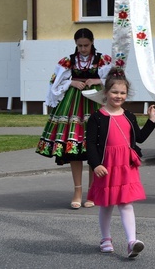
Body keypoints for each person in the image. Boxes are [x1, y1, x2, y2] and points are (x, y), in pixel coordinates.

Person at [36, 27, 112, 209]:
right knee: (74, 149)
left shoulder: (103, 59)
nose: (83, 49)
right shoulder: (68, 61)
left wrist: (98, 81)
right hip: (73, 106)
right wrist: (71, 82)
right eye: (80, 46)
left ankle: (93, 191)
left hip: (94, 102)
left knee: (95, 147)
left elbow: (114, 78)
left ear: (92, 42)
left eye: (86, 45)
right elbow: (54, 83)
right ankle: (77, 191)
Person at [86, 69, 155, 258]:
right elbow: (90, 144)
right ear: (106, 93)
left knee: (126, 203)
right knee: (107, 204)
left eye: (122, 93)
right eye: (115, 92)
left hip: (126, 165)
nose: (119, 96)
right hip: (106, 166)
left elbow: (139, 138)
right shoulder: (96, 118)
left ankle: (131, 241)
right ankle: (105, 238)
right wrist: (96, 165)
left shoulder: (129, 115)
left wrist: (151, 121)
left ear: (127, 94)